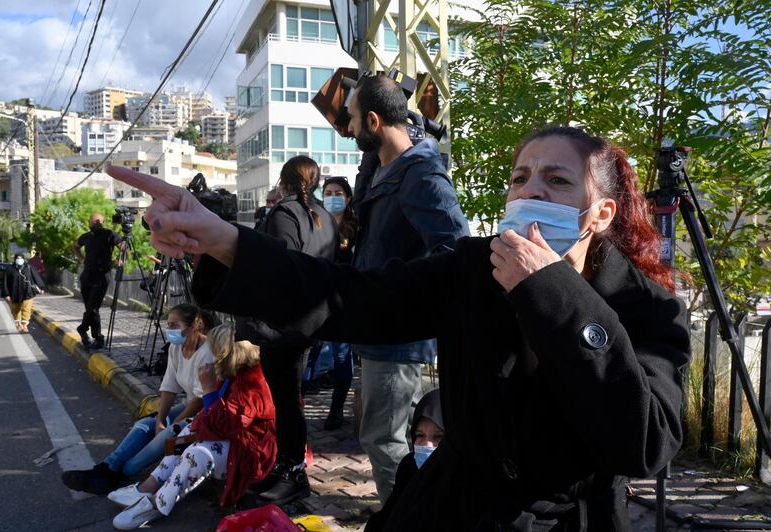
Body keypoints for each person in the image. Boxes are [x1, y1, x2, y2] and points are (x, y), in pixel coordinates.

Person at [108, 124, 692, 530]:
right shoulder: (473, 268)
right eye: (521, 178)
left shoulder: (650, 310)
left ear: (602, 212)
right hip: (455, 507)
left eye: (557, 181)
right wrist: (226, 243)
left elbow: (644, 442)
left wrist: (552, 293)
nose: (532, 190)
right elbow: (351, 298)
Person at [345, 74, 469, 501]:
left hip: (398, 333)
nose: (348, 126)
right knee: (395, 437)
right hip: (381, 328)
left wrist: (404, 295)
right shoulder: (385, 168)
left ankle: (405, 517)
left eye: (354, 117)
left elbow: (454, 247)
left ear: (374, 121)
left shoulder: (420, 173)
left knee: (385, 439)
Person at [238, 155, 339, 505]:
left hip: (283, 324)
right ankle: (287, 467)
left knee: (286, 400)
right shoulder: (325, 216)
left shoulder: (284, 213)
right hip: (312, 320)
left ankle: (292, 470)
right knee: (290, 397)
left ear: (284, 182)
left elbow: (281, 267)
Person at [107, 323, 277, 530]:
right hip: (231, 436)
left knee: (197, 453)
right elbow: (213, 417)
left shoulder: (253, 381)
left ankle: (158, 504)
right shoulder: (233, 372)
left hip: (249, 450)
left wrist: (207, 389)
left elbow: (224, 423)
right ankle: (150, 484)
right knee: (185, 435)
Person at [62, 304, 215, 495]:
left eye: (174, 325)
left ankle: (118, 474)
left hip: (205, 415)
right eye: (168, 325)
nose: (169, 330)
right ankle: (107, 469)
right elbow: (169, 387)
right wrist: (160, 419)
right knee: (145, 424)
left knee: (160, 443)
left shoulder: (208, 352)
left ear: (193, 326)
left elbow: (200, 400)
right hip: (188, 406)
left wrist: (172, 425)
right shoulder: (177, 347)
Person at [365, 388, 443, 531]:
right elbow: (388, 515)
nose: (427, 445)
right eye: (420, 435)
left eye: (438, 437)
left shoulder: (465, 484)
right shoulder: (410, 466)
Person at [319, 176, 358, 430]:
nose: (333, 197)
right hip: (316, 301)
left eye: (338, 193)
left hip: (344, 304)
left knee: (341, 357)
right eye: (328, 192)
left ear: (347, 198)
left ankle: (336, 410)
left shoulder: (356, 229)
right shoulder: (316, 224)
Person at [74, 212, 124, 349]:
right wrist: (81, 259)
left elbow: (124, 248)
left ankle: (83, 330)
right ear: (89, 222)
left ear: (103, 221)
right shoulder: (86, 236)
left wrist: (119, 261)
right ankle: (97, 338)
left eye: (99, 221)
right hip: (86, 276)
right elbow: (76, 246)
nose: (96, 223)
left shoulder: (110, 234)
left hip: (101, 276)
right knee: (91, 309)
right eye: (94, 221)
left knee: (93, 308)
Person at [1, 252, 45, 332]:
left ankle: (24, 325)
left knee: (26, 308)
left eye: (21, 258)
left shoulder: (29, 267)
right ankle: (18, 324)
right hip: (14, 294)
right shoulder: (9, 269)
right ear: (14, 259)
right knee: (15, 309)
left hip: (27, 292)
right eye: (17, 258)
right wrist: (6, 294)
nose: (19, 260)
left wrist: (41, 287)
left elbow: (36, 277)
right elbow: (5, 282)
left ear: (24, 259)